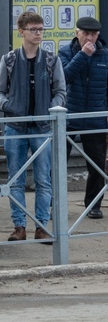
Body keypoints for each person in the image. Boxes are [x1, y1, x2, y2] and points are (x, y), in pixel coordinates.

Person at [0, 11, 66, 242]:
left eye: (41, 29)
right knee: (16, 179)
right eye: (34, 29)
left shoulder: (52, 60)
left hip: (42, 127)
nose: (38, 34)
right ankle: (19, 226)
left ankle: (42, 226)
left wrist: (51, 110)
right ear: (21, 32)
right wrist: (10, 105)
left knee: (43, 179)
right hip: (15, 127)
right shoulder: (10, 60)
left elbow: (61, 92)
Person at [61, 15, 108, 219]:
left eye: (93, 34)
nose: (90, 38)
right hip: (68, 116)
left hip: (96, 117)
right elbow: (63, 78)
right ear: (77, 33)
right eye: (85, 33)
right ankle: (56, 205)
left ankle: (93, 205)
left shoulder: (105, 55)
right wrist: (82, 55)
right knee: (58, 164)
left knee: (97, 165)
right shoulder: (65, 52)